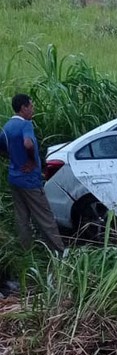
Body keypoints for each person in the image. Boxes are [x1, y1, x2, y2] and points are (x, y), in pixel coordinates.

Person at [1, 94, 66, 255]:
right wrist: (31, 161)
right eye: (31, 106)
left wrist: (13, 158)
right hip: (29, 180)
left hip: (14, 178)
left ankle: (26, 251)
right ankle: (59, 251)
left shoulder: (7, 126)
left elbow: (2, 146)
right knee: (45, 216)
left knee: (22, 216)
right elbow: (28, 143)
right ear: (23, 108)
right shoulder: (26, 125)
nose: (33, 109)